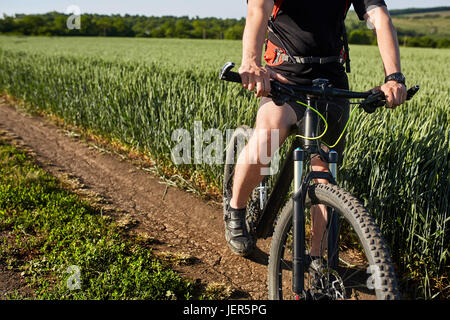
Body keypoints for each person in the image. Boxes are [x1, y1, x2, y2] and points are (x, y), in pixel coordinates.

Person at [224, 0, 407, 256]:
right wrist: (251, 61)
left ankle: (318, 258)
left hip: (331, 83)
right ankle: (236, 209)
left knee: (324, 173)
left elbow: (380, 18)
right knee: (266, 139)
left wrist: (394, 77)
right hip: (285, 77)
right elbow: (258, 9)